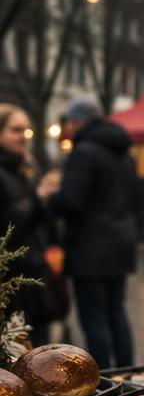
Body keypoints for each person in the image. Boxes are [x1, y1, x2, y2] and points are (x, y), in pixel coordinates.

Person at [53, 95, 139, 369]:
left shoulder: (85, 151)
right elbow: (137, 198)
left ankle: (102, 378)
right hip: (120, 242)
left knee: (94, 317)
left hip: (90, 247)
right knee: (117, 311)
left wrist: (52, 196)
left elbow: (72, 202)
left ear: (78, 121)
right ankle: (127, 372)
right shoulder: (123, 153)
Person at [0, 104, 66, 345]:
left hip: (34, 271)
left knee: (38, 344)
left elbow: (42, 221)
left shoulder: (27, 167)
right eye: (15, 130)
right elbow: (8, 224)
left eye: (26, 130)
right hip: (10, 278)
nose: (23, 136)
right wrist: (37, 199)